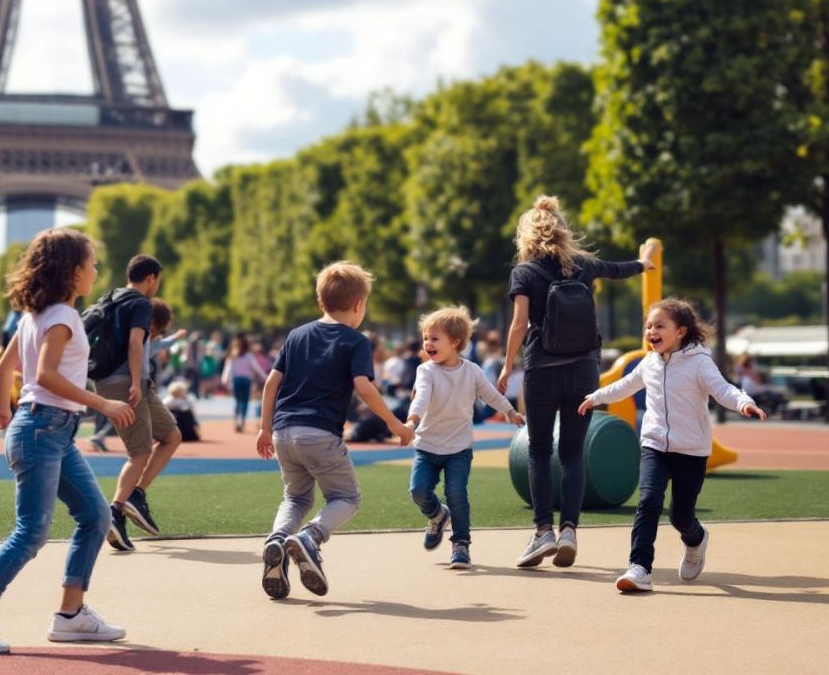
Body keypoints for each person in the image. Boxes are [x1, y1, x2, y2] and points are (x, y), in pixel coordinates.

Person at [0, 228, 135, 655]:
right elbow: (45, 375)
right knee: (31, 532)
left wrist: (3, 409)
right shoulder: (63, 316)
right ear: (72, 270)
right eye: (91, 263)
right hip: (45, 428)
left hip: (47, 429)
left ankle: (70, 614)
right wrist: (102, 403)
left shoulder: (35, 315)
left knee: (96, 516)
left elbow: (4, 365)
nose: (95, 270)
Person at [498, 195, 653, 568]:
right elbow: (619, 269)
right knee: (572, 452)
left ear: (526, 236)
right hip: (584, 369)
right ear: (562, 230)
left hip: (542, 369)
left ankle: (543, 532)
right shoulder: (583, 265)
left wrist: (506, 367)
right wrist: (644, 263)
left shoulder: (524, 272)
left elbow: (519, 324)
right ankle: (569, 530)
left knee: (538, 451)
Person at [579, 298, 766, 593]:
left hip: (691, 451)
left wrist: (744, 403)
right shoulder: (649, 363)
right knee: (648, 500)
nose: (651, 331)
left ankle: (696, 539)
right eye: (648, 326)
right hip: (654, 445)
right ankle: (640, 567)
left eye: (659, 326)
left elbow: (722, 389)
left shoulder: (699, 362)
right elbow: (625, 385)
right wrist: (595, 397)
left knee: (680, 516)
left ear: (680, 331)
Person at [255, 261, 414, 600]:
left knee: (296, 497)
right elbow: (364, 387)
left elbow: (271, 383)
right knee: (346, 498)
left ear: (320, 301)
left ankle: (277, 540)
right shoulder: (356, 341)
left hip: (283, 432)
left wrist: (264, 428)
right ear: (358, 304)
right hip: (320, 433)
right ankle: (310, 537)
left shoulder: (296, 335)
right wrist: (394, 424)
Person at [404, 306, 524, 570]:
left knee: (456, 493)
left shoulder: (472, 371)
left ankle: (461, 545)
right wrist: (412, 420)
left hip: (459, 448)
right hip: (427, 446)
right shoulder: (426, 371)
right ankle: (437, 515)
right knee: (418, 491)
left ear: (455, 342)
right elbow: (421, 397)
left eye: (435, 338)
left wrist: (509, 411)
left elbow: (490, 394)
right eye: (426, 338)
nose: (428, 343)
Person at [90, 254, 184, 549]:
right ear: (151, 278)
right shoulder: (141, 303)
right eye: (158, 280)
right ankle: (115, 511)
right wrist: (134, 382)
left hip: (118, 380)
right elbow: (134, 343)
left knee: (171, 435)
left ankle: (136, 495)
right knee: (139, 453)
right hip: (128, 383)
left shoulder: (111, 298)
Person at [223, 333, 266, 432]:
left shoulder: (232, 356)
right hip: (246, 381)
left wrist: (225, 378)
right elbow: (256, 368)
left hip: (236, 380)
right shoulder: (249, 356)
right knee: (245, 402)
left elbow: (227, 368)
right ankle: (242, 420)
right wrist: (265, 377)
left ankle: (236, 421)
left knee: (238, 401)